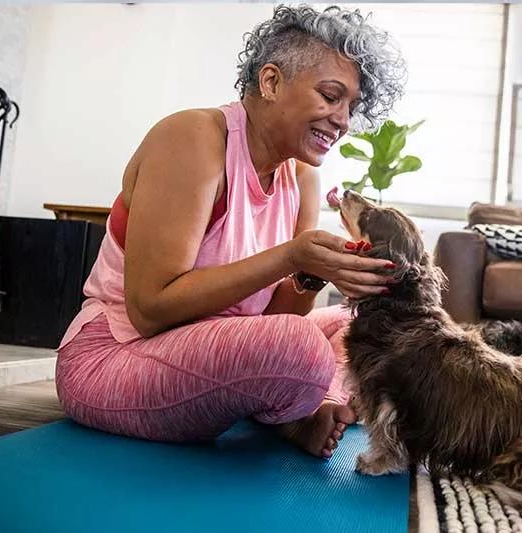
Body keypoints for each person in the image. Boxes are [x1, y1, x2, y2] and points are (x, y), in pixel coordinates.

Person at [55, 4, 406, 459]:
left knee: (363, 328)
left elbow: (274, 318)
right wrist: (291, 256)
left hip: (217, 350)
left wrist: (315, 272)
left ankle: (297, 408)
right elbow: (150, 309)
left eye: (350, 107)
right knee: (299, 351)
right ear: (271, 81)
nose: (342, 120)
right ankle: (294, 411)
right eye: (330, 95)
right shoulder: (194, 137)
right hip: (115, 357)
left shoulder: (301, 177)